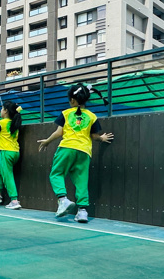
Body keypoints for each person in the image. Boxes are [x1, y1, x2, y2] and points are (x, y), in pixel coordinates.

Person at [38, 84, 113, 223]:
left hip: (67, 148)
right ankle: (82, 211)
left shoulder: (66, 113)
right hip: (84, 151)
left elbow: (59, 132)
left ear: (72, 100)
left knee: (56, 174)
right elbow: (94, 136)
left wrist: (47, 141)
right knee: (81, 181)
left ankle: (63, 200)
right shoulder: (92, 116)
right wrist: (102, 138)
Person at [0, 101, 23, 210]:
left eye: (2, 109)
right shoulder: (15, 123)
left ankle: (14, 200)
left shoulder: (0, 123)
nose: (0, 111)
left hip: (5, 152)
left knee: (7, 176)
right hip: (15, 152)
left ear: (6, 111)